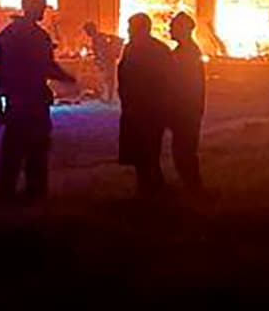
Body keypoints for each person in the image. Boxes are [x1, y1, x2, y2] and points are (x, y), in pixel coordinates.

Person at [0, 0, 76, 201]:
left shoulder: (10, 33)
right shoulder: (38, 37)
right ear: (34, 6)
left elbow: (1, 70)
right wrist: (69, 78)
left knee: (13, 147)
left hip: (16, 100)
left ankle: (6, 192)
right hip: (34, 100)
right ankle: (35, 191)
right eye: (42, 5)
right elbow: (47, 67)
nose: (44, 10)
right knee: (37, 148)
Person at [118, 12, 173, 195]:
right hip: (146, 109)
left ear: (140, 28)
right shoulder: (160, 49)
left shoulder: (136, 49)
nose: (128, 31)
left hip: (144, 109)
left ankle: (150, 189)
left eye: (131, 27)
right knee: (147, 151)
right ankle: (152, 187)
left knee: (145, 152)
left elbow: (126, 76)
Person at [166, 12, 208, 190]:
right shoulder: (185, 50)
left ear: (183, 29)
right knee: (183, 149)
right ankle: (191, 186)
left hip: (186, 110)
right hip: (186, 109)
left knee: (184, 150)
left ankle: (194, 188)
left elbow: (183, 83)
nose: (169, 29)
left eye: (173, 26)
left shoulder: (187, 52)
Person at [83, 21, 124, 103]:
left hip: (108, 61)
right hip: (105, 61)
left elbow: (103, 50)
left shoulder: (101, 37)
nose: (87, 33)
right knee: (106, 79)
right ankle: (107, 97)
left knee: (109, 79)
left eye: (87, 31)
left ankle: (110, 98)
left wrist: (106, 56)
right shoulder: (97, 38)